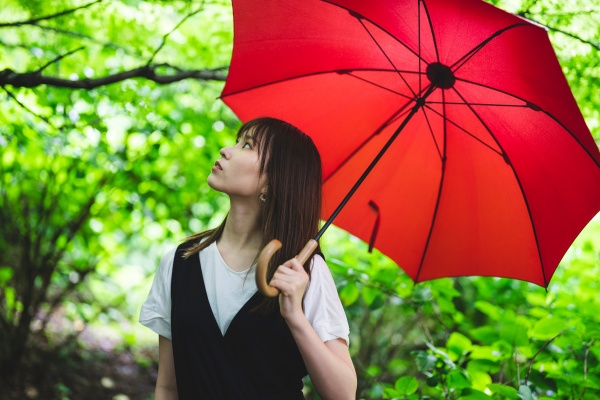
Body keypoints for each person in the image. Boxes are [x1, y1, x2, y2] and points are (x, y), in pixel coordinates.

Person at [140, 117, 357, 399]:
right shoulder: (180, 264)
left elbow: (343, 394)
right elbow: (168, 387)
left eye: (247, 146)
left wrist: (295, 316)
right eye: (237, 141)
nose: (226, 150)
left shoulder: (305, 272)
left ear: (274, 180)